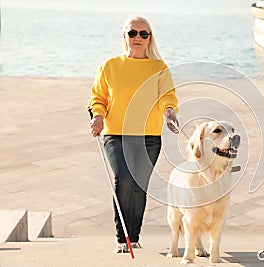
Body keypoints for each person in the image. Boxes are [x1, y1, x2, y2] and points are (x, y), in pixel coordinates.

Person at [88, 15, 179, 253]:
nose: (137, 38)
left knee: (139, 185)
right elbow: (98, 98)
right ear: (124, 37)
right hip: (115, 134)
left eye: (143, 34)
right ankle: (122, 238)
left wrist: (169, 112)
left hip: (149, 136)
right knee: (124, 178)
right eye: (132, 33)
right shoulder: (109, 66)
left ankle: (133, 237)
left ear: (150, 39)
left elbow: (167, 96)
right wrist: (98, 116)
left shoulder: (159, 68)